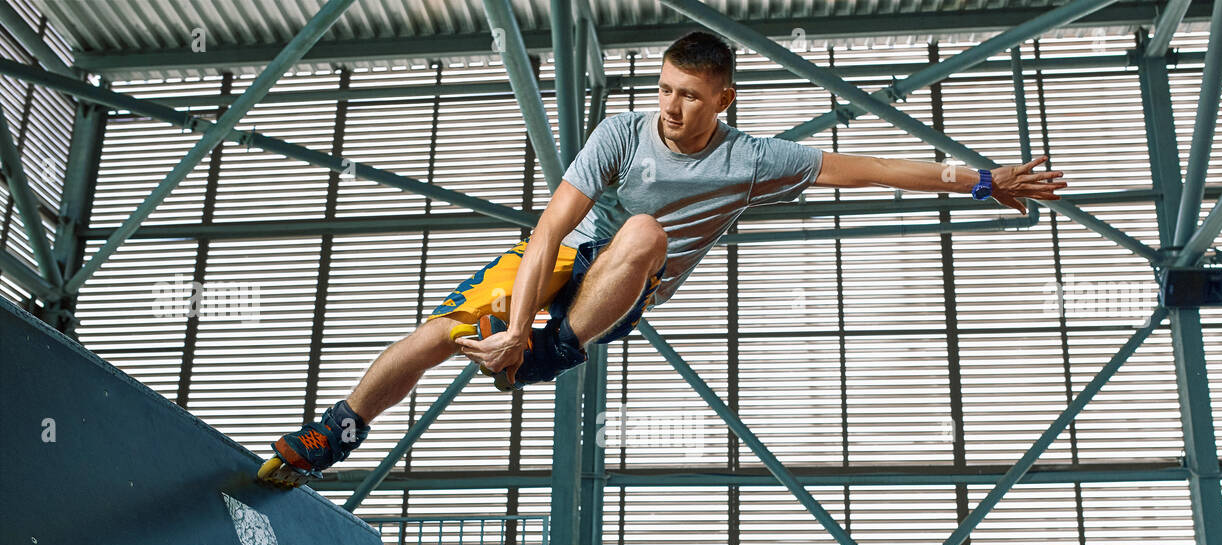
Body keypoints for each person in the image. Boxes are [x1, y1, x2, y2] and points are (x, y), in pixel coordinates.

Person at [260, 30, 1068, 487]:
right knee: (442, 334)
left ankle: (552, 352)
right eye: (665, 89)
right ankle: (335, 433)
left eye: (689, 96)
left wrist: (982, 180)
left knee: (643, 232)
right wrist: (506, 325)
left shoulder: (753, 160)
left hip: (622, 284)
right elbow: (548, 233)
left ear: (724, 99)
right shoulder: (620, 133)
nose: (671, 110)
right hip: (567, 258)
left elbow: (878, 170)